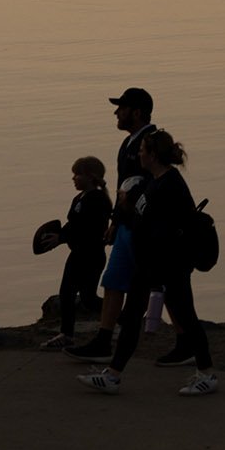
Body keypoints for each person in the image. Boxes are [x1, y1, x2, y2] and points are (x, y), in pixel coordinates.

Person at [79, 127, 215, 397]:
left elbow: (168, 228)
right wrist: (126, 210)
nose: (138, 154)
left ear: (153, 155)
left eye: (142, 151)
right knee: (131, 319)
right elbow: (145, 220)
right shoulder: (154, 180)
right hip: (148, 265)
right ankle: (114, 376)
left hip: (169, 265)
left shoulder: (171, 185)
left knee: (186, 316)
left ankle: (207, 374)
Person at [65, 87, 156, 362]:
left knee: (162, 287)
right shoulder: (129, 143)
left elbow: (150, 185)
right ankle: (103, 341)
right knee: (114, 281)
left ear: (136, 112)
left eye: (122, 108)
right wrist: (115, 221)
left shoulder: (151, 142)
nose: (116, 112)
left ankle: (188, 343)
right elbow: (122, 188)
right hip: (126, 225)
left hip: (142, 227)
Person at [48, 156, 110, 346]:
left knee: (85, 298)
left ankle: (67, 335)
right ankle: (67, 334)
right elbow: (72, 224)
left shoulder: (98, 200)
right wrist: (58, 237)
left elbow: (88, 229)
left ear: (90, 177)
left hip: (90, 254)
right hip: (77, 253)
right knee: (74, 294)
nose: (74, 178)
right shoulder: (79, 198)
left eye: (77, 174)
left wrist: (63, 238)